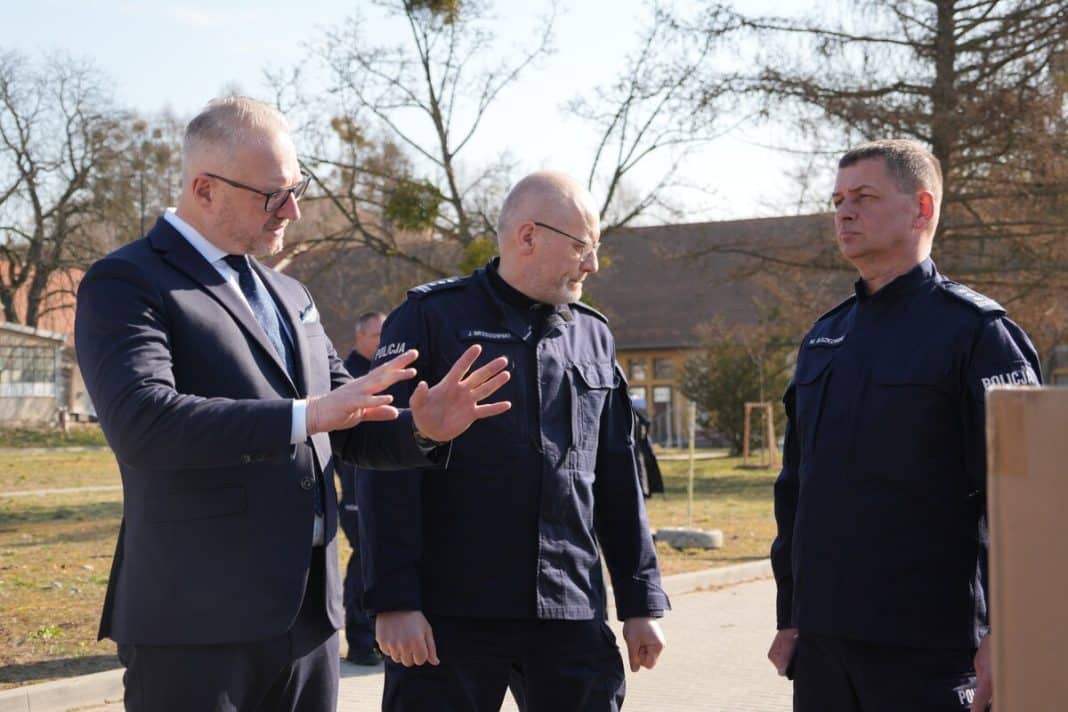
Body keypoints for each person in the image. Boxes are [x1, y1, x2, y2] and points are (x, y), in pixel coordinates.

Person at [74, 96, 512, 712]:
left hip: (308, 621)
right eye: (274, 195)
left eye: (297, 188)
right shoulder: (126, 281)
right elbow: (143, 422)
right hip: (195, 623)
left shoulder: (288, 291)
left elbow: (348, 420)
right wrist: (305, 415)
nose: (295, 211)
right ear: (204, 188)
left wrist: (423, 430)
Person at [358, 171, 670, 711]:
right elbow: (386, 464)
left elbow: (617, 477)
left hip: (569, 609)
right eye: (582, 247)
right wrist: (394, 601)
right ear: (528, 236)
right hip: (450, 616)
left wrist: (640, 601)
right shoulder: (432, 319)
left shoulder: (593, 335)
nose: (592, 265)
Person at [767, 139, 1042, 712]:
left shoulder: (977, 335)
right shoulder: (823, 338)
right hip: (824, 648)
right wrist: (790, 616)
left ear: (921, 208)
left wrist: (1010, 635)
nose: (844, 211)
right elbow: (797, 490)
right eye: (838, 199)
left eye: (864, 197)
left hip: (929, 649)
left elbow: (1024, 502)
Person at [338, 311, 387, 665]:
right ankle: (358, 640)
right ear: (360, 337)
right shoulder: (345, 376)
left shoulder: (384, 374)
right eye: (376, 334)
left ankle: (378, 638)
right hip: (356, 484)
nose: (382, 340)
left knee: (381, 557)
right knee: (364, 559)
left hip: (384, 478)